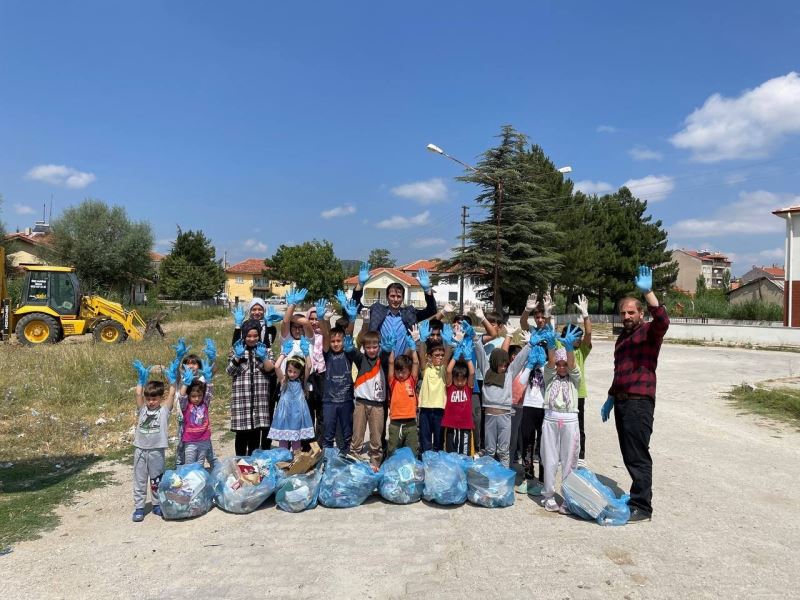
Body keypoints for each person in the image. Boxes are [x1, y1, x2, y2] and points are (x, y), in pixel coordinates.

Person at [602, 265, 669, 523]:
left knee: (638, 454)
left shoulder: (650, 333)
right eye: (623, 313)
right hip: (622, 402)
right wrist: (610, 397)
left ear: (641, 313)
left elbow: (663, 321)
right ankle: (636, 498)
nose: (627, 316)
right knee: (629, 453)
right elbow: (620, 371)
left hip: (639, 403)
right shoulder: (622, 339)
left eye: (632, 312)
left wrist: (649, 292)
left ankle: (642, 506)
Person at [351, 261, 438, 358]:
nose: (395, 299)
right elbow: (356, 306)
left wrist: (427, 291)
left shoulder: (410, 313)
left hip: (402, 364)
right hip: (379, 361)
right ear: (387, 297)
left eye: (398, 296)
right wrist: (360, 285)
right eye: (392, 296)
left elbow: (432, 310)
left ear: (402, 298)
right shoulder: (377, 310)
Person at [473, 325, 530, 467]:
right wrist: (475, 338)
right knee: (490, 451)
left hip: (505, 417)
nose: (504, 367)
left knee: (504, 451)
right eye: (501, 364)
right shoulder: (486, 370)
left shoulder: (509, 373)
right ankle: (491, 479)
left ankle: (504, 483)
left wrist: (529, 345)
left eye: (505, 364)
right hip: (490, 417)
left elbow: (519, 360)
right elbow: (479, 352)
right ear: (494, 362)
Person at [540, 325, 583, 513]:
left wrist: (569, 349)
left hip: (570, 420)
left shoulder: (574, 378)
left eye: (564, 364)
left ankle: (568, 497)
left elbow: (573, 367)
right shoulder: (550, 376)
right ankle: (548, 495)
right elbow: (549, 365)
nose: (562, 367)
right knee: (549, 459)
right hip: (550, 419)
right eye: (559, 364)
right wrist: (552, 347)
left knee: (569, 460)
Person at [232, 298, 282, 450]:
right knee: (246, 425)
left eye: (260, 309)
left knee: (264, 415)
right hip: (245, 380)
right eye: (254, 309)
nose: (257, 312)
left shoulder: (269, 326)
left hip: (263, 376)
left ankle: (264, 448)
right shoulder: (245, 326)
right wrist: (237, 326)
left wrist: (269, 325)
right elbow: (235, 346)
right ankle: (242, 460)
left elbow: (269, 346)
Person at [131, 361, 175, 522]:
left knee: (157, 479)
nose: (150, 402)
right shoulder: (142, 410)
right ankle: (139, 507)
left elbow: (171, 395)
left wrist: (172, 382)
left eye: (154, 398)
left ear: (160, 398)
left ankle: (157, 504)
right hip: (140, 450)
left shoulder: (164, 411)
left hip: (157, 450)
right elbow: (137, 394)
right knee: (140, 479)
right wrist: (141, 381)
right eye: (148, 398)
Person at [226, 319, 275, 456]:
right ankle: (240, 467)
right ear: (243, 335)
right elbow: (229, 371)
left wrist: (264, 358)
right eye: (248, 336)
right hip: (242, 403)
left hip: (259, 403)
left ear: (260, 335)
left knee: (255, 437)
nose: (252, 339)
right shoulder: (236, 350)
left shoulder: (266, 350)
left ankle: (252, 469)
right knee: (241, 437)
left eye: (255, 336)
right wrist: (237, 357)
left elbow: (271, 370)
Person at [348, 324, 386, 470]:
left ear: (379, 346)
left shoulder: (382, 358)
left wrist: (387, 349)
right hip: (361, 404)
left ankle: (375, 463)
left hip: (377, 405)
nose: (371, 350)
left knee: (376, 438)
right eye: (368, 347)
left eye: (375, 346)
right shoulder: (361, 358)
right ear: (364, 348)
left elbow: (387, 354)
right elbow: (352, 351)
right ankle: (353, 461)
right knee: (357, 435)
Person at [319, 314, 357, 455]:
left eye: (338, 341)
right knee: (328, 434)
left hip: (346, 400)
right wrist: (322, 318)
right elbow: (325, 334)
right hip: (329, 401)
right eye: (333, 341)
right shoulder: (328, 354)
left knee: (347, 434)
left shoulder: (348, 354)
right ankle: (328, 461)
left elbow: (349, 335)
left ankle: (345, 459)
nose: (335, 343)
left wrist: (352, 320)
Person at [270, 337, 315, 453]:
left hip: (297, 414)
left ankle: (296, 462)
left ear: (300, 372)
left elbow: (309, 366)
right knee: (283, 441)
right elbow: (276, 366)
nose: (292, 374)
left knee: (296, 442)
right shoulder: (284, 380)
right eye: (290, 371)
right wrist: (284, 353)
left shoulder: (302, 382)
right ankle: (282, 460)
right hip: (285, 414)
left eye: (295, 372)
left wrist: (306, 353)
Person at [513, 341, 547, 491]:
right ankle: (528, 477)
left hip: (543, 408)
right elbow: (521, 380)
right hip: (528, 406)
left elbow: (550, 381)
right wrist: (530, 364)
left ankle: (543, 480)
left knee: (543, 445)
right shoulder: (530, 365)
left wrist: (542, 365)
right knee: (527, 442)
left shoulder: (549, 367)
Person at [564, 294, 592, 464]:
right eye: (576, 335)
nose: (579, 339)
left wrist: (586, 315)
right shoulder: (562, 345)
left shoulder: (582, 350)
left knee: (579, 426)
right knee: (562, 424)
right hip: (561, 392)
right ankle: (564, 452)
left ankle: (580, 456)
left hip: (578, 393)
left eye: (579, 336)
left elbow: (588, 333)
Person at [178, 362, 216, 467]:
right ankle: (190, 482)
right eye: (193, 396)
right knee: (189, 465)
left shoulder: (205, 403)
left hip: (204, 439)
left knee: (200, 465)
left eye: (199, 396)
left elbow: (209, 392)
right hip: (190, 441)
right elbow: (181, 397)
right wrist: (185, 383)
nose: (197, 399)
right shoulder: (186, 406)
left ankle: (199, 482)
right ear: (189, 396)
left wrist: (208, 380)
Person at [443, 337, 476, 455]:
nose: (460, 382)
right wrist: (455, 356)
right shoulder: (450, 387)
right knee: (450, 453)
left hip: (465, 425)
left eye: (463, 380)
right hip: (451, 424)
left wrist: (468, 358)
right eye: (457, 380)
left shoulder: (468, 388)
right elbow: (448, 371)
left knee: (465, 454)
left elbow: (472, 372)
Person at [386, 348, 420, 457]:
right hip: (395, 423)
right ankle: (392, 470)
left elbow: (416, 362)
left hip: (411, 424)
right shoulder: (393, 381)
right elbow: (391, 362)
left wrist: (413, 349)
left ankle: (412, 470)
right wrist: (392, 348)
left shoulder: (411, 380)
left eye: (403, 371)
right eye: (398, 371)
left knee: (412, 451)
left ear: (409, 371)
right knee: (393, 450)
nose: (400, 374)